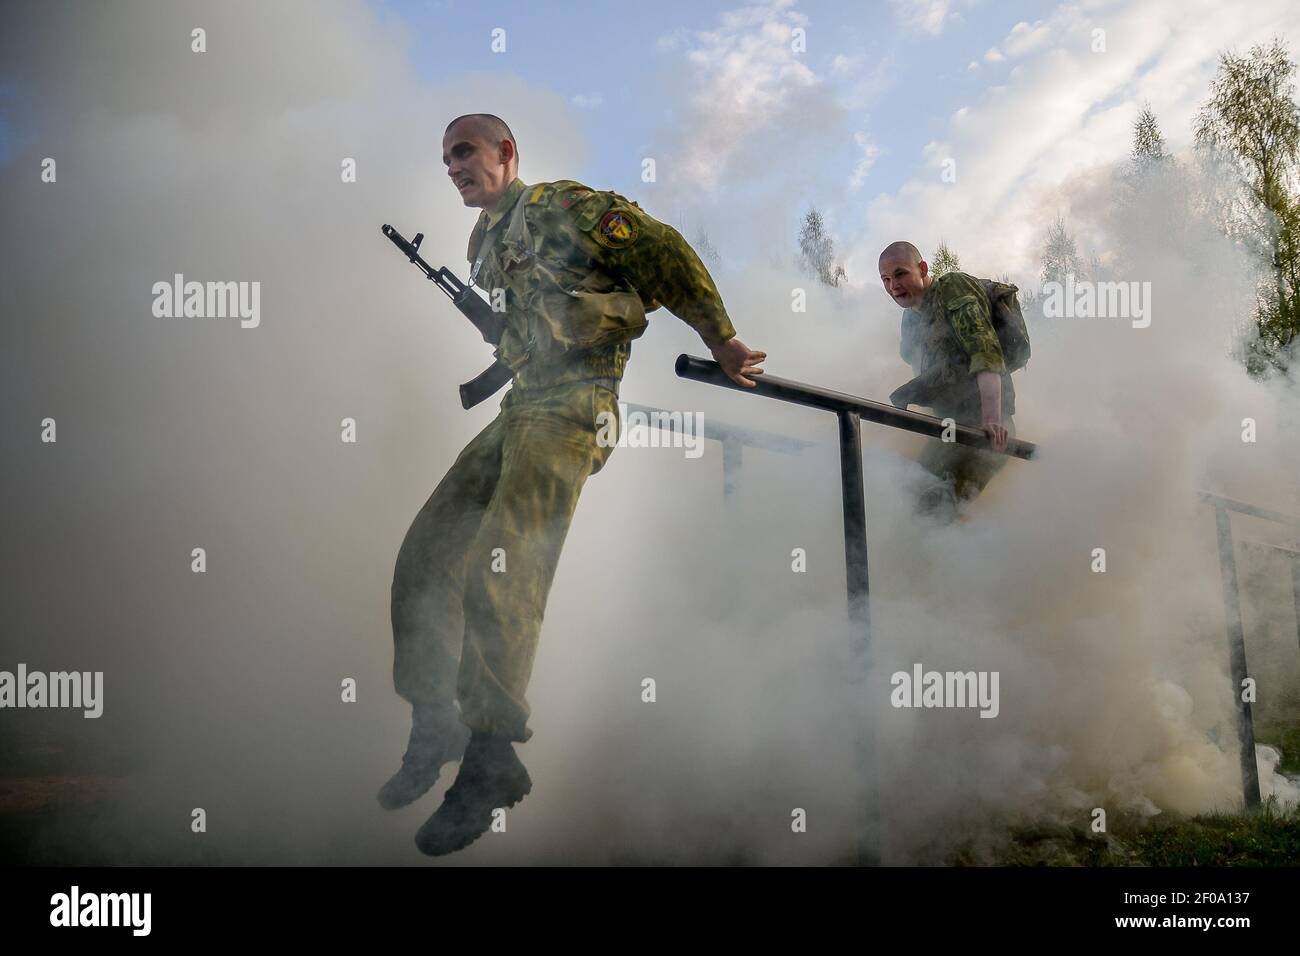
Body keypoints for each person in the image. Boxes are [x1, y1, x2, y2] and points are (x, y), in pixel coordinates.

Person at [381, 113, 766, 856]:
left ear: (505, 152)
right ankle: (438, 722)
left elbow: (661, 248)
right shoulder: (482, 242)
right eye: (445, 158)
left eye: (465, 151)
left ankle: (492, 755)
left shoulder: (561, 206)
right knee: (426, 553)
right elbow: (530, 319)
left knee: (504, 559)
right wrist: (508, 335)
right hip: (523, 402)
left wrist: (719, 338)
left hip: (578, 402)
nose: (453, 166)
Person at [878, 241, 1015, 523]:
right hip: (951, 428)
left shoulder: (953, 288)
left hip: (983, 430)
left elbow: (984, 350)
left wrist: (992, 418)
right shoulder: (912, 319)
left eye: (900, 274)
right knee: (910, 498)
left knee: (935, 512)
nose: (893, 286)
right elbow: (929, 370)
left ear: (923, 269)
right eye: (886, 279)